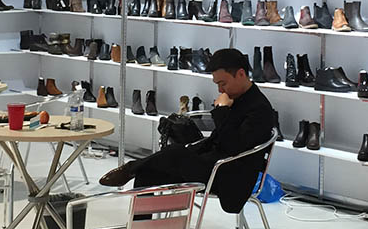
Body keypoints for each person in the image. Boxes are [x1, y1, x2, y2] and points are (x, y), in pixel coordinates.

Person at [99, 47, 278, 213]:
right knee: (147, 173)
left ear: (241, 74)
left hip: (229, 176)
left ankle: (130, 168)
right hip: (212, 165)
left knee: (176, 153)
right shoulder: (236, 98)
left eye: (223, 83)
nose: (220, 89)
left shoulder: (259, 109)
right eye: (217, 84)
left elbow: (233, 147)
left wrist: (222, 111)